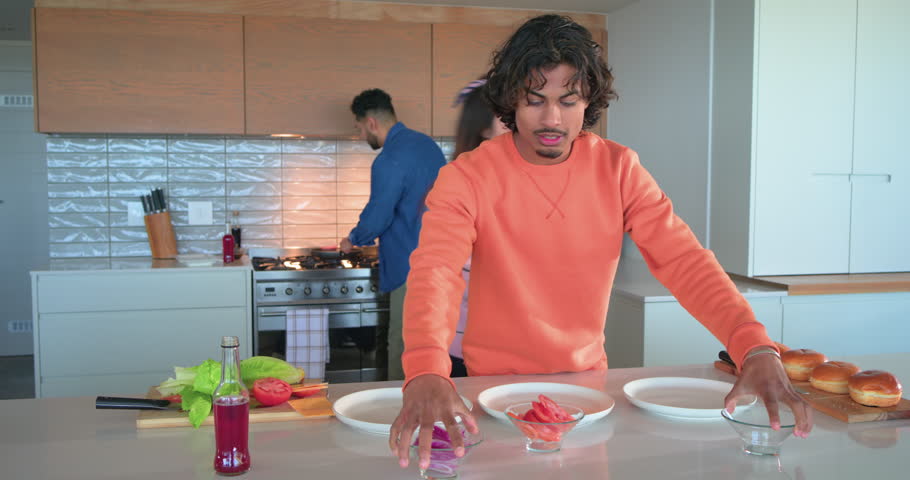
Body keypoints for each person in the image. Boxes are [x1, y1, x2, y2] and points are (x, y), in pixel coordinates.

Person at [390, 14, 813, 469]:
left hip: (586, 391)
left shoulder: (619, 169)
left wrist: (754, 345)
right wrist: (427, 369)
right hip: (491, 392)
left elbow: (685, 261)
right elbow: (437, 272)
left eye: (568, 101)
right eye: (535, 101)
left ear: (588, 101)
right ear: (511, 101)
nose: (552, 118)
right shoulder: (466, 177)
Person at [339, 88, 446, 381]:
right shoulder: (427, 146)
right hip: (440, 264)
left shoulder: (389, 160)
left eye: (359, 128)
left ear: (371, 122)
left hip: (409, 267)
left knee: (402, 345)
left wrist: (353, 239)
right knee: (428, 345)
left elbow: (378, 215)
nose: (362, 136)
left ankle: (396, 415)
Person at [448, 79, 510, 378]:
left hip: (509, 343)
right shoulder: (464, 183)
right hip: (467, 342)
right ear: (482, 127)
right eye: (505, 117)